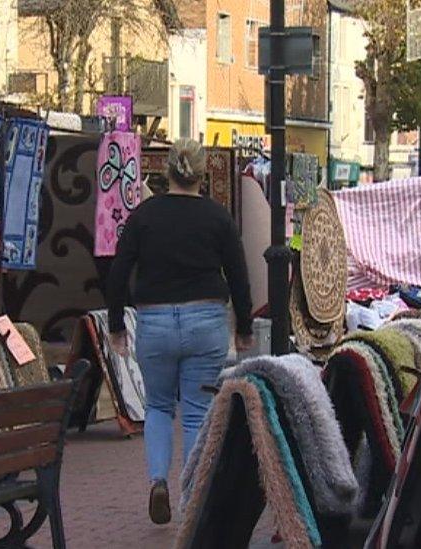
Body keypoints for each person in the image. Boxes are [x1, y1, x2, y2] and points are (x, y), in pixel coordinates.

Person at [106, 138, 254, 525]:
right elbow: (238, 274)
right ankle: (191, 494)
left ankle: (158, 481)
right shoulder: (218, 218)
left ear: (166, 171)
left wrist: (116, 324)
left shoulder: (144, 216)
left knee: (157, 406)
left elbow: (119, 271)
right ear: (202, 174)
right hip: (205, 320)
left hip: (154, 322)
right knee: (196, 411)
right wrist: (245, 326)